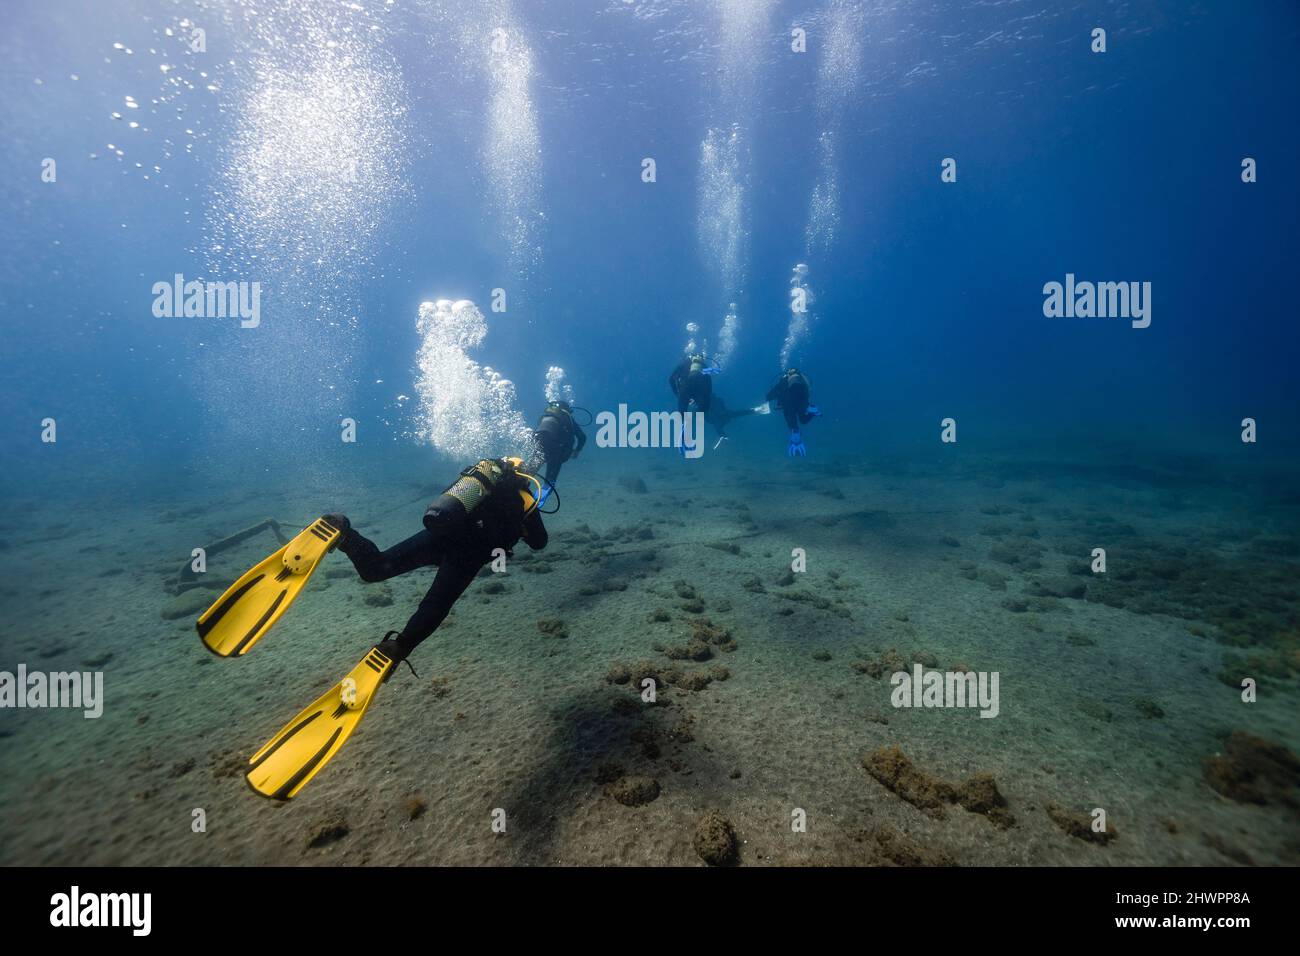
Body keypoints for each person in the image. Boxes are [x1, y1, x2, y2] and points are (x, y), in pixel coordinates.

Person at [196, 456, 548, 799]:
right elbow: (539, 542)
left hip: (443, 535)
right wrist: (525, 520)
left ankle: (342, 531)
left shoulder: (479, 482)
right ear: (527, 475)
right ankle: (396, 648)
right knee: (435, 605)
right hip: (468, 554)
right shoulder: (526, 496)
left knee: (376, 568)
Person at [765, 367, 822, 457]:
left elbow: (769, 396)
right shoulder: (802, 380)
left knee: (793, 426)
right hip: (801, 403)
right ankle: (812, 411)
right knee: (803, 420)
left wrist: (772, 397)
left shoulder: (783, 381)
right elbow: (808, 392)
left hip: (788, 405)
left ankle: (796, 439)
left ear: (787, 374)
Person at [533, 399, 587, 485]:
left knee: (533, 466)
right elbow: (582, 437)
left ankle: (519, 480)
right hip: (556, 447)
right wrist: (577, 451)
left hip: (539, 441)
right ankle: (547, 485)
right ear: (567, 409)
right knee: (550, 476)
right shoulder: (567, 416)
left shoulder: (545, 416)